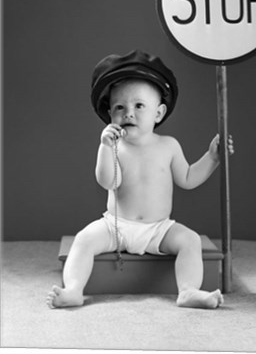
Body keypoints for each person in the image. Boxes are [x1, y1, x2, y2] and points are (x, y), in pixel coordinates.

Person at [47, 50, 234, 309]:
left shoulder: (168, 146)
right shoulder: (115, 146)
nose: (129, 113)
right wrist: (105, 148)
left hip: (158, 228)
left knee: (189, 240)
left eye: (139, 106)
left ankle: (188, 290)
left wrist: (213, 157)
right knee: (84, 240)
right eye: (120, 107)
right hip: (116, 226)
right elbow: (108, 181)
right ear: (109, 114)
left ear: (158, 113)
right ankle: (74, 289)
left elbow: (189, 178)